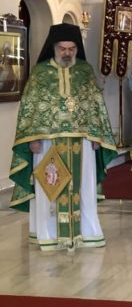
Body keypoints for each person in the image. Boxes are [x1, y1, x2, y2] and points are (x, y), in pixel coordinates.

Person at [9, 23, 117, 251]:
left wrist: (97, 136)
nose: (67, 53)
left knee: (83, 187)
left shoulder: (85, 71)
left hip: (82, 141)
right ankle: (48, 234)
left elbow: (95, 105)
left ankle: (87, 233)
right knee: (49, 185)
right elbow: (30, 108)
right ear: (54, 47)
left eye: (71, 48)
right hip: (47, 142)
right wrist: (32, 139)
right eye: (62, 48)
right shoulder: (40, 73)